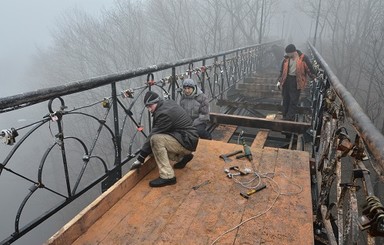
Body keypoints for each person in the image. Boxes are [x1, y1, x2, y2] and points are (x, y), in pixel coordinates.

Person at [131, 91, 199, 187]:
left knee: (156, 140)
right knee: (154, 145)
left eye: (150, 106)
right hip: (188, 138)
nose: (149, 109)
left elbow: (153, 135)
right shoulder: (167, 103)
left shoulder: (164, 114)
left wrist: (141, 158)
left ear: (157, 102)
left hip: (187, 140)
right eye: (147, 107)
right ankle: (182, 158)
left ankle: (168, 176)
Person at [277, 44, 316, 121]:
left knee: (293, 100)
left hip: (296, 81)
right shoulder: (286, 59)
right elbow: (282, 71)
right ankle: (285, 115)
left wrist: (314, 77)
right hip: (286, 80)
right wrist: (279, 81)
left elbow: (309, 69)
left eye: (288, 53)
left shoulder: (303, 58)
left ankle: (289, 117)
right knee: (285, 98)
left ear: (293, 52)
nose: (287, 54)